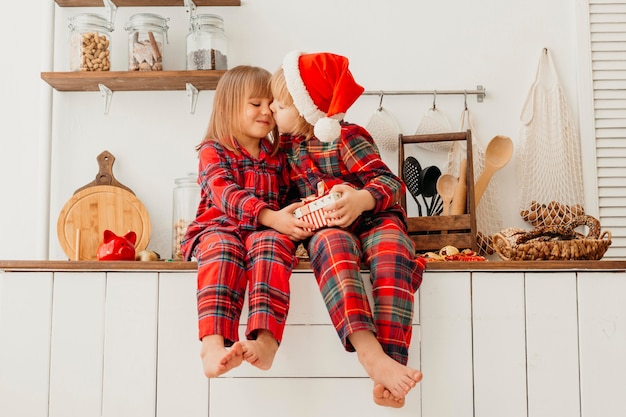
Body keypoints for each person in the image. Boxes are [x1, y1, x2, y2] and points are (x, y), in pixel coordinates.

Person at [270, 51, 426, 408]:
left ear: (308, 107)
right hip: (328, 229)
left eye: (281, 104)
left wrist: (360, 199)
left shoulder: (346, 137)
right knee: (330, 246)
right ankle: (370, 355)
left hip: (374, 220)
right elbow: (284, 201)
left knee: (392, 254)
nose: (273, 111)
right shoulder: (286, 151)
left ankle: (390, 371)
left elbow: (390, 183)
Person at [181, 65, 314, 379]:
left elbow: (292, 195)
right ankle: (213, 344)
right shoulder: (214, 150)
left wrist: (303, 209)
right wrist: (269, 216)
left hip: (264, 234)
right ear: (228, 107)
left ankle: (265, 340)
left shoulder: (279, 155)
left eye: (270, 104)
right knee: (222, 247)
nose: (267, 111)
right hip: (218, 229)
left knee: (272, 243)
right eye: (256, 104)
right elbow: (224, 192)